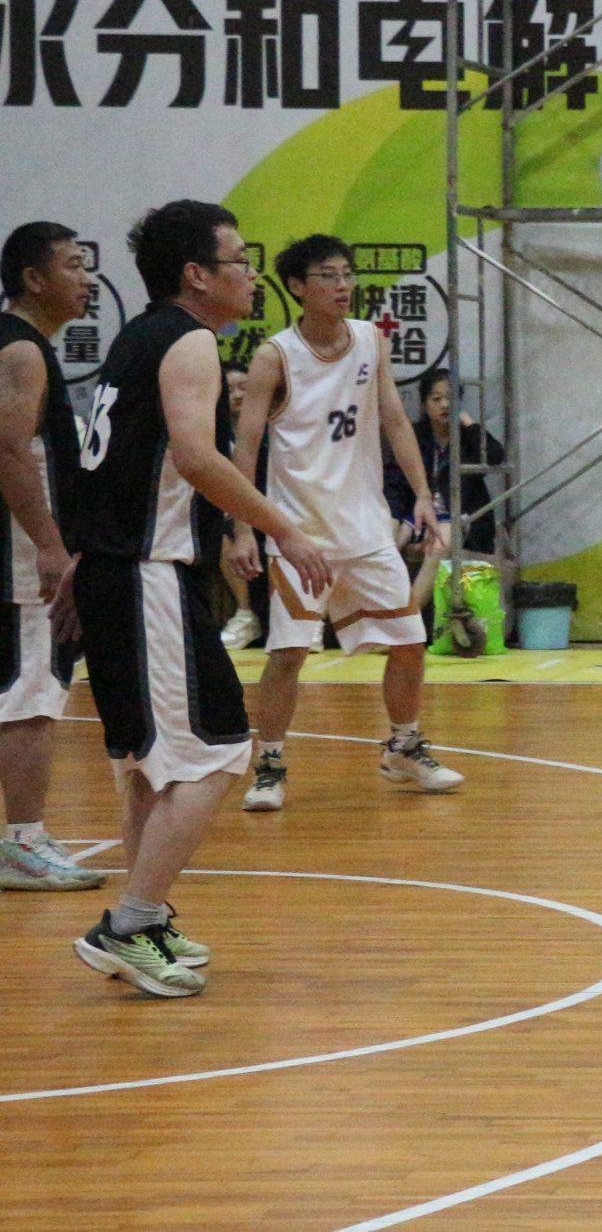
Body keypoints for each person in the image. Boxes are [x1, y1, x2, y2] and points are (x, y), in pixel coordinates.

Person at [66, 200, 333, 997]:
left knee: (151, 765)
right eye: (240, 260)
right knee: (217, 751)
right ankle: (128, 923)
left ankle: (143, 917)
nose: (252, 274)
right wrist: (285, 529)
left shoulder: (137, 337)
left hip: (119, 570)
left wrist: (86, 558)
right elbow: (195, 456)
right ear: (196, 274)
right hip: (146, 572)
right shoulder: (188, 341)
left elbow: (116, 464)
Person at [228, 235, 459, 811]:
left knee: (410, 643)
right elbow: (246, 447)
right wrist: (244, 528)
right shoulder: (274, 356)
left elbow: (395, 420)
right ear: (298, 287)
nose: (342, 286)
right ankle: (269, 764)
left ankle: (403, 747)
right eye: (328, 276)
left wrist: (423, 496)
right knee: (288, 653)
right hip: (298, 533)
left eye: (347, 275)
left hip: (364, 528)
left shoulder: (369, 340)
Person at [0, 222, 103, 892]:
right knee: (32, 694)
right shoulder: (22, 350)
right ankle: (24, 841)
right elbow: (9, 450)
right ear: (34, 279)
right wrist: (48, 544)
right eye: (72, 265)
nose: (86, 278)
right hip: (19, 554)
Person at [385, 367, 505, 615]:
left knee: (440, 543)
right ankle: (377, 613)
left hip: (461, 517)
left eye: (451, 398)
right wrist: (394, 520)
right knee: (387, 544)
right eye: (436, 398)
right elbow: (395, 484)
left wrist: (469, 424)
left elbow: (495, 456)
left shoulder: (467, 437)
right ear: (424, 403)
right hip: (419, 515)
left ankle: (406, 618)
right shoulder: (414, 437)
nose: (444, 405)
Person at [215, 360, 270, 650]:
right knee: (221, 531)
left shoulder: (274, 430)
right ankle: (246, 613)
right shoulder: (211, 435)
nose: (237, 395)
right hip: (230, 515)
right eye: (229, 390)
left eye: (243, 387)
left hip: (269, 510)